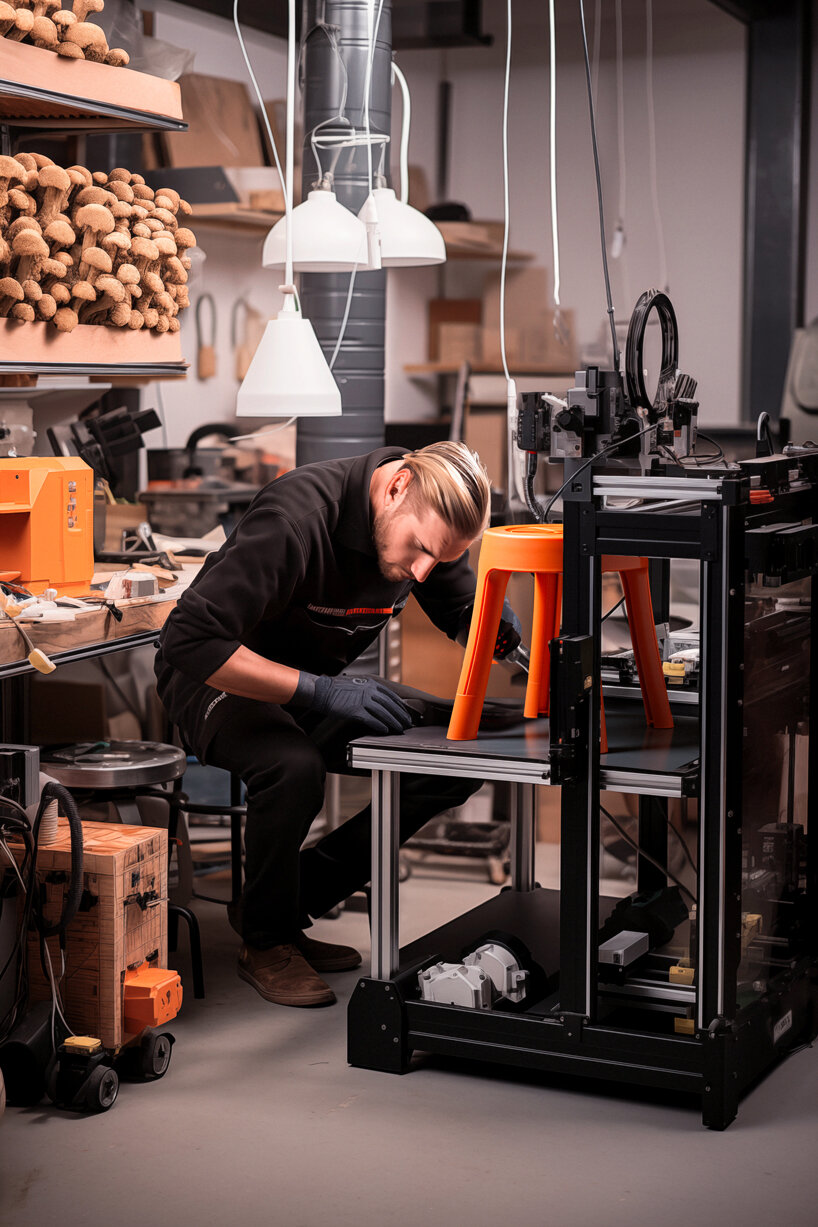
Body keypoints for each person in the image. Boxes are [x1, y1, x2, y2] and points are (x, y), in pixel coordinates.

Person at [155, 441, 521, 1008]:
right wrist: (320, 690)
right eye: (420, 551)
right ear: (397, 488)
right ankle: (267, 938)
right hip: (214, 678)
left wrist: (491, 626)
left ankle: (285, 898)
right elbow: (188, 640)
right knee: (293, 767)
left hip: (313, 688)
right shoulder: (294, 521)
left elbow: (457, 606)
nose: (423, 570)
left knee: (455, 751)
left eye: (440, 560)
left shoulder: (425, 530)